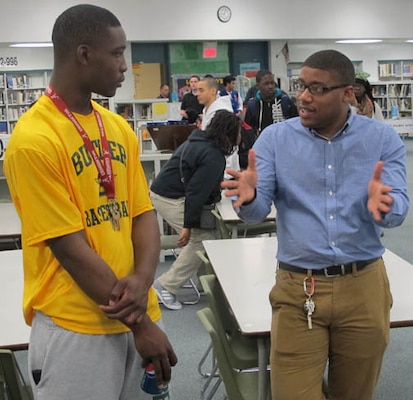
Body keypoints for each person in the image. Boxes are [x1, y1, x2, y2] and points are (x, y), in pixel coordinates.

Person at [3, 4, 177, 399]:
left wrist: (144, 282)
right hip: (76, 327)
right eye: (117, 53)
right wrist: (141, 326)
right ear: (84, 54)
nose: (124, 65)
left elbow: (142, 214)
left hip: (136, 312)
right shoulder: (34, 141)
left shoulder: (117, 127)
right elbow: (69, 248)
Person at [222, 49, 409, 399]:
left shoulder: (381, 140)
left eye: (318, 89)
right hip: (298, 289)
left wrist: (382, 206)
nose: (304, 97)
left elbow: (398, 208)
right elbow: (258, 209)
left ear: (348, 93)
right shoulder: (275, 140)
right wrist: (247, 200)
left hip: (364, 286)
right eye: (301, 86)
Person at [150, 110, 241, 310]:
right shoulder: (213, 156)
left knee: (211, 235)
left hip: (167, 193)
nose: (240, 136)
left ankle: (206, 284)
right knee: (200, 239)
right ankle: (165, 285)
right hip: (171, 198)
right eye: (238, 132)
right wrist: (187, 225)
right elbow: (195, 193)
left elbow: (200, 185)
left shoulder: (201, 142)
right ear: (229, 133)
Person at [197, 76, 241, 176]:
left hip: (225, 170)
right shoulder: (206, 110)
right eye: (197, 90)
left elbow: (228, 143)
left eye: (201, 90)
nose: (198, 94)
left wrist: (226, 172)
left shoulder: (223, 112)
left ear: (213, 91)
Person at [244, 69, 298, 135]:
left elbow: (296, 122)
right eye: (266, 84)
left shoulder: (285, 100)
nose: (270, 86)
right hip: (262, 142)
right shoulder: (253, 105)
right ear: (258, 86)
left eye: (272, 83)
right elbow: (248, 129)